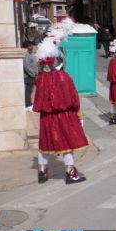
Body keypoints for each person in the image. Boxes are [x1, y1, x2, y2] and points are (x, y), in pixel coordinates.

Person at [33, 18, 88, 184]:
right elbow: (73, 99)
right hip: (64, 115)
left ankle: (42, 172)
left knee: (45, 143)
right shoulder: (64, 77)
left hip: (47, 117)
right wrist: (79, 116)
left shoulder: (41, 78)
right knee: (67, 144)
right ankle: (70, 173)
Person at [23, 41, 38, 110]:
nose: (32, 47)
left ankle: (28, 103)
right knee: (28, 91)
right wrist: (33, 74)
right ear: (27, 46)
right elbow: (27, 66)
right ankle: (27, 104)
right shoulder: (26, 55)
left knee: (30, 90)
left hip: (32, 75)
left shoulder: (31, 54)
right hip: (28, 76)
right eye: (31, 46)